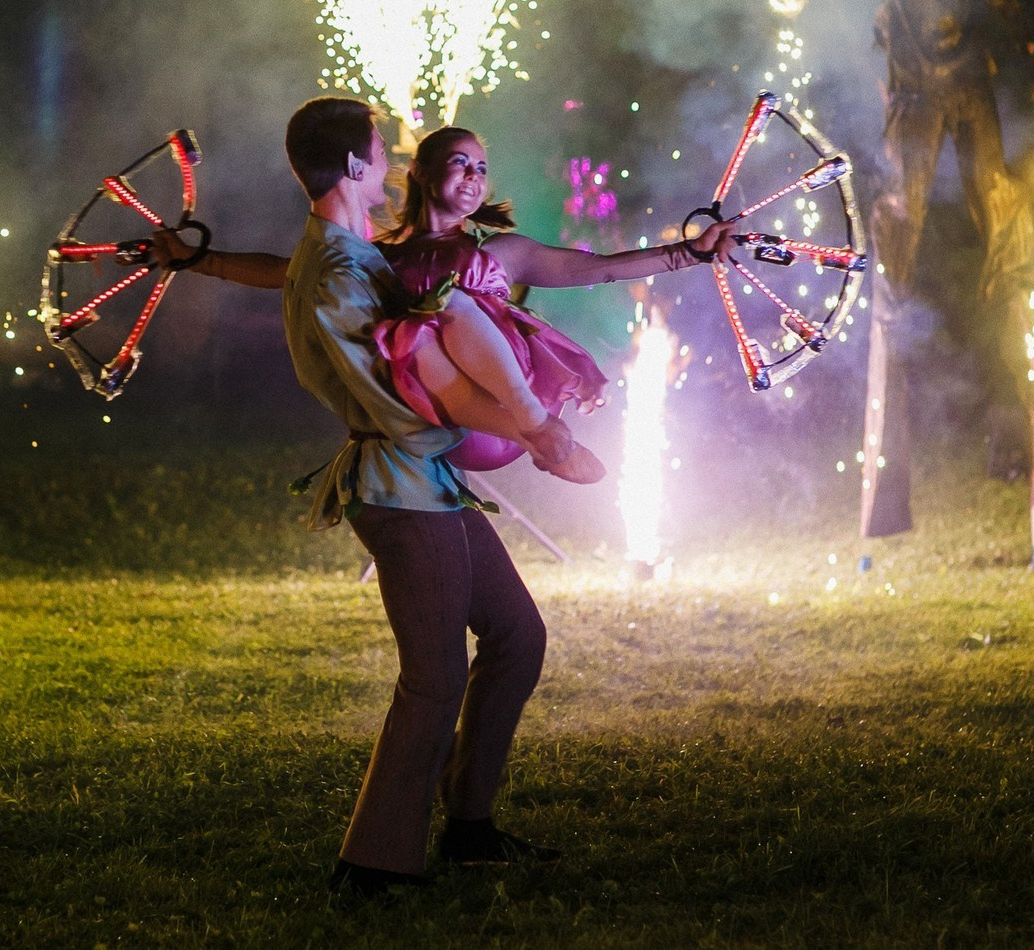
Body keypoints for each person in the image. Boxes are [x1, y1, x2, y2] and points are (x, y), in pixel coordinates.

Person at [270, 97, 732, 899]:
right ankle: (373, 865)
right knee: (435, 676)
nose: (384, 156)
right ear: (357, 167)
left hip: (431, 483)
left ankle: (471, 827)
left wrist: (686, 256)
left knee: (517, 635)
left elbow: (584, 267)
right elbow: (405, 396)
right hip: (401, 487)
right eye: (378, 149)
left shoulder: (352, 254)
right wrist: (523, 424)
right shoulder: (342, 269)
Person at [166, 124, 738, 480]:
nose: (473, 176)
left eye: (482, 168)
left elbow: (597, 268)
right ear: (418, 171)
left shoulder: (500, 253)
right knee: (410, 319)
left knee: (450, 306)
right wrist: (201, 260)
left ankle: (540, 431)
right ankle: (536, 439)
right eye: (460, 162)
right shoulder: (376, 257)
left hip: (502, 404)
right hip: (440, 414)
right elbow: (290, 273)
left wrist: (689, 254)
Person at [789, 0, 1034, 537]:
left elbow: (1006, 1)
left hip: (967, 90)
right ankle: (894, 285)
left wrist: (1030, 44)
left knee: (999, 189)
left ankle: (1012, 273)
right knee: (902, 202)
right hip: (914, 98)